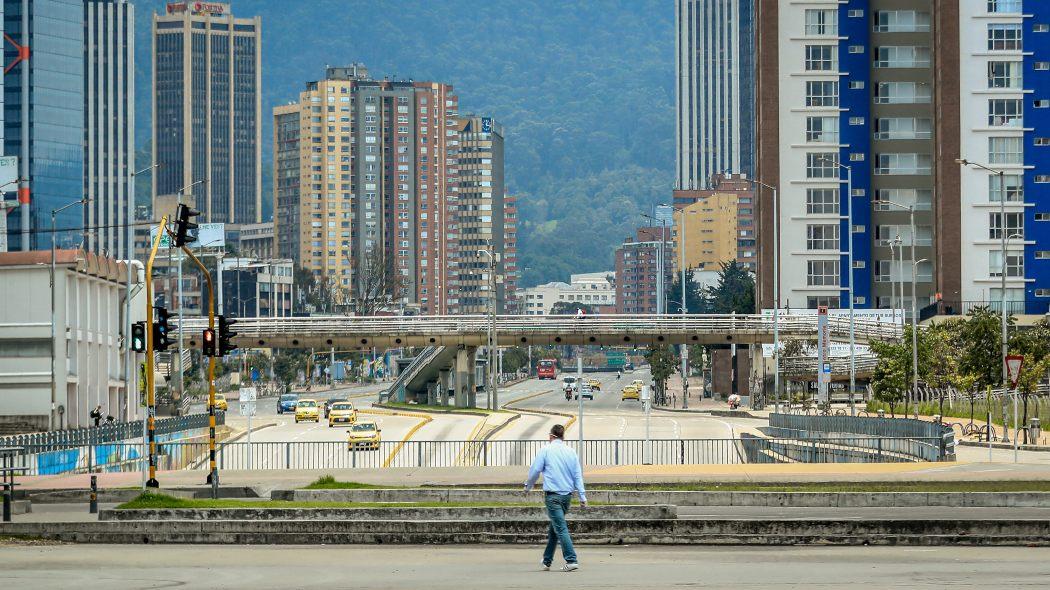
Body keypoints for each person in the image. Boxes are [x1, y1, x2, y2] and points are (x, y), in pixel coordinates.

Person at [524, 424, 586, 572]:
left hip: (553, 497)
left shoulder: (545, 450)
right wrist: (582, 496)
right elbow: (577, 475)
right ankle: (547, 560)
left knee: (561, 528)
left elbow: (535, 470)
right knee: (555, 528)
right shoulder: (571, 452)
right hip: (566, 497)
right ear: (562, 437)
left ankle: (571, 560)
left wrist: (528, 486)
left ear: (551, 436)